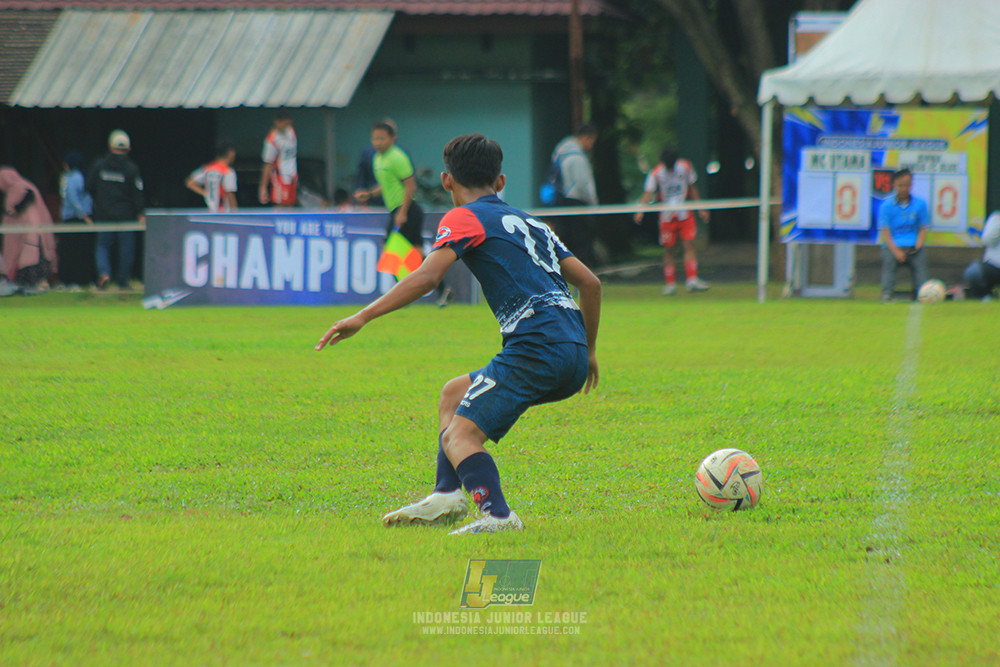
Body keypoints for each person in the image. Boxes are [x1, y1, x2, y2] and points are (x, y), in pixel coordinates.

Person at [316, 133, 602, 535]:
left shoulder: (464, 217)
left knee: (460, 436)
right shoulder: (534, 223)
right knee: (453, 393)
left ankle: (499, 516)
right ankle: (447, 495)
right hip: (570, 349)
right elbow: (590, 284)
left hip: (536, 346)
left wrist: (363, 316)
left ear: (447, 181)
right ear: (501, 182)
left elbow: (428, 277)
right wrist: (588, 352)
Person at [633, 147, 711, 295]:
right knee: (669, 249)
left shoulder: (686, 167)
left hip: (684, 213)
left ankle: (692, 280)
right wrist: (640, 211)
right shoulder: (656, 173)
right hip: (666, 216)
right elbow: (648, 193)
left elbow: (692, 187)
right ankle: (670, 284)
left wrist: (701, 208)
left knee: (689, 244)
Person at [87, 129, 145, 290]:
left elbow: (89, 186)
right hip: (125, 215)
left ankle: (104, 273)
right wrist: (141, 213)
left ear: (110, 146)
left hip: (104, 213)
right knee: (126, 247)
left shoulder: (100, 165)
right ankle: (123, 281)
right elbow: (137, 192)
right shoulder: (131, 168)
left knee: (103, 245)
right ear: (128, 148)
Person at [0, 165, 58, 292]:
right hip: (40, 233)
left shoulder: (15, 190)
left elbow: (12, 215)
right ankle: (41, 283)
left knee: (27, 260)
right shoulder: (29, 186)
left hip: (27, 236)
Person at [549, 123, 599, 267]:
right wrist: (593, 202)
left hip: (561, 200)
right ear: (584, 138)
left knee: (564, 238)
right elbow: (583, 184)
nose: (591, 145)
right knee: (581, 241)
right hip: (577, 201)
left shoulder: (561, 152)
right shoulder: (577, 157)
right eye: (591, 141)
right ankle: (581, 271)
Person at [878, 168, 929, 302]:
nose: (904, 188)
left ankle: (921, 293)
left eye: (907, 184)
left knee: (920, 264)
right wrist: (896, 251)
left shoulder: (920, 204)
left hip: (913, 245)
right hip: (894, 246)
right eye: (901, 185)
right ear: (894, 185)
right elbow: (886, 232)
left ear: (911, 185)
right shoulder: (886, 206)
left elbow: (923, 227)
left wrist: (918, 244)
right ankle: (887, 293)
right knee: (889, 262)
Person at [58, 150, 95, 288]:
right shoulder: (76, 177)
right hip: (76, 218)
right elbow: (73, 198)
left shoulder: (69, 177)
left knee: (70, 250)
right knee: (77, 251)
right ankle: (75, 280)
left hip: (71, 218)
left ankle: (69, 280)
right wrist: (84, 215)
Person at [186, 141, 238, 212]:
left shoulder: (207, 169)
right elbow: (230, 194)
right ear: (231, 153)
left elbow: (189, 183)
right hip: (224, 212)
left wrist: (206, 194)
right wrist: (235, 212)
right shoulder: (228, 171)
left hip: (210, 211)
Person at [259, 111, 297, 206]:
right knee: (280, 206)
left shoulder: (291, 132)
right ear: (277, 122)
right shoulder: (272, 139)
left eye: (288, 123)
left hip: (292, 176)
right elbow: (268, 164)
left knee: (290, 204)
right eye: (284, 124)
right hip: (280, 177)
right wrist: (263, 188)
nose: (286, 126)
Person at [959, 210, 1000, 301]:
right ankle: (985, 296)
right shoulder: (996, 218)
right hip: (995, 265)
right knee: (974, 272)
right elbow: (986, 240)